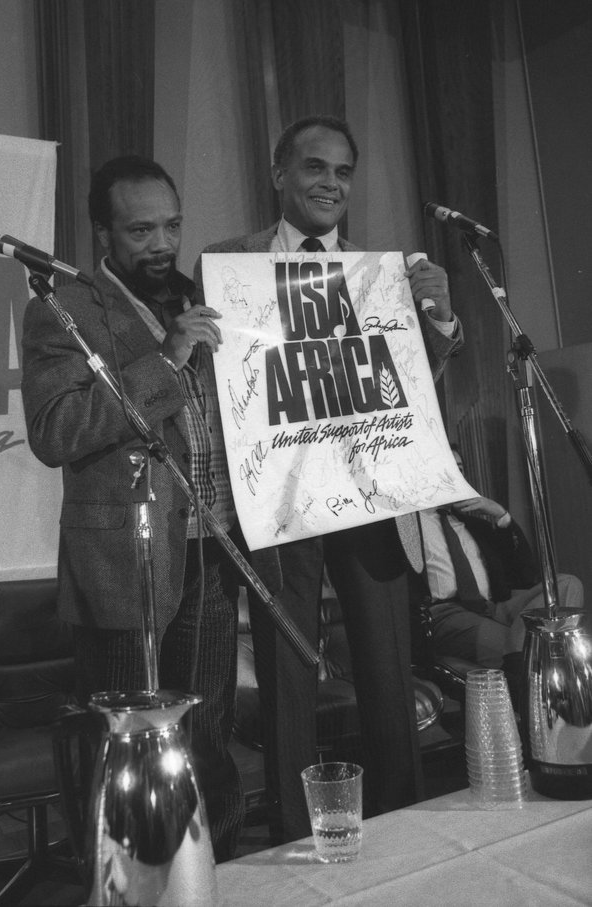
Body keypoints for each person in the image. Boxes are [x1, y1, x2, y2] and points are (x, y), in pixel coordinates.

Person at [195, 114, 464, 844]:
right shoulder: (228, 262)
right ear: (279, 173)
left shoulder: (380, 274)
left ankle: (405, 822)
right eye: (315, 168)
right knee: (287, 672)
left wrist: (433, 319)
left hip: (370, 494)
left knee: (385, 662)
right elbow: (217, 380)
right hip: (277, 497)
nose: (331, 184)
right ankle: (291, 829)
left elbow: (407, 388)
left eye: (343, 172)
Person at [20, 155, 245, 863]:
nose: (161, 242)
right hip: (124, 562)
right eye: (141, 228)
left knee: (204, 737)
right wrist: (168, 358)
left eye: (171, 225)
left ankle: (215, 877)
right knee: (127, 747)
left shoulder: (193, 298)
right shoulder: (65, 308)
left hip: (209, 549)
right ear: (103, 233)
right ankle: (124, 883)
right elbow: (56, 430)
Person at [412, 444, 585, 685]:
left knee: (567, 583)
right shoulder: (409, 527)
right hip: (446, 614)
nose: (456, 476)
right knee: (524, 645)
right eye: (447, 468)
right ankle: (534, 664)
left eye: (460, 469)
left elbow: (526, 573)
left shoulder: (475, 525)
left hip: (496, 606)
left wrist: (502, 516)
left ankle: (526, 661)